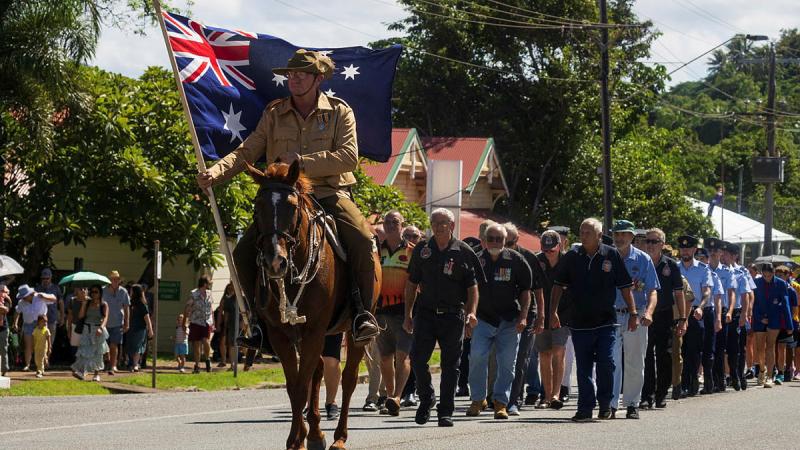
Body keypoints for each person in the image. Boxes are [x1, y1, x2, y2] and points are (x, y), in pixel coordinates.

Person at [197, 49, 379, 348]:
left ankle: (362, 314)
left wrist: (302, 162)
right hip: (283, 196)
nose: (293, 79)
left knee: (361, 238)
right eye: (290, 75)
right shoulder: (274, 113)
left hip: (328, 192)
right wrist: (215, 173)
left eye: (301, 74)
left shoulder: (339, 111)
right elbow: (247, 151)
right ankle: (255, 321)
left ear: (318, 79)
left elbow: (348, 158)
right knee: (242, 252)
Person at [550, 218, 635, 422]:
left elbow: (625, 286)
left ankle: (605, 404)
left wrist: (633, 313)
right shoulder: (572, 256)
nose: (583, 235)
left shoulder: (611, 254)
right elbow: (558, 285)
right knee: (584, 366)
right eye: (581, 231)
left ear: (599, 235)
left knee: (607, 362)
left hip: (606, 321)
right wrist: (552, 311)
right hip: (580, 321)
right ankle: (585, 408)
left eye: (588, 232)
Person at [404, 208, 482, 427]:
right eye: (434, 222)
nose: (438, 226)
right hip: (426, 314)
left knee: (451, 365)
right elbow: (411, 285)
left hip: (453, 316)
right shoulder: (422, 249)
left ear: (452, 226)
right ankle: (427, 398)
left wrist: (472, 312)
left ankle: (445, 411)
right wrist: (407, 314)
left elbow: (472, 287)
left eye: (443, 223)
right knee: (418, 360)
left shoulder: (463, 251)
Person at [466, 222, 535, 420]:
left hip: (509, 321)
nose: (495, 242)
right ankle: (478, 399)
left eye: (499, 239)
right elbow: (467, 290)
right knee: (477, 357)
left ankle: (501, 403)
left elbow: (525, 291)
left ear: (506, 241)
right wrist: (468, 317)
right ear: (484, 240)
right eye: (491, 238)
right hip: (482, 319)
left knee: (507, 363)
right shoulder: (476, 260)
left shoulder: (517, 260)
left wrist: (523, 317)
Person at [609, 220, 659, 420]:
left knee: (634, 361)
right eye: (617, 234)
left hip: (635, 314)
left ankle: (632, 403)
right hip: (611, 314)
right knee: (611, 361)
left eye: (624, 234)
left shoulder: (643, 259)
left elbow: (652, 290)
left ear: (631, 237)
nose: (619, 238)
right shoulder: (607, 257)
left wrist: (649, 312)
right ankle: (610, 403)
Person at [374, 210, 415, 416]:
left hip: (404, 313)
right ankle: (390, 397)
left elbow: (417, 284)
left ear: (402, 225)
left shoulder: (412, 252)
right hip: (380, 312)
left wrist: (410, 314)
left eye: (395, 222)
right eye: (387, 221)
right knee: (384, 358)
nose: (390, 225)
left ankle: (397, 396)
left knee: (403, 355)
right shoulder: (376, 251)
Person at [641, 228, 686, 408]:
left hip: (665, 314)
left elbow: (679, 293)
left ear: (662, 244)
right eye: (648, 241)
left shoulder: (671, 265)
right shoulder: (641, 262)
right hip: (645, 315)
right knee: (646, 356)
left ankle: (661, 394)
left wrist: (683, 318)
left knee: (664, 355)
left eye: (654, 241)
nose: (650, 245)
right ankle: (647, 394)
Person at [504, 223, 546, 415]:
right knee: (503, 358)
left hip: (527, 315)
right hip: (504, 314)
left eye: (509, 242)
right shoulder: (493, 255)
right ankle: (498, 397)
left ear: (517, 240)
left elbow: (538, 290)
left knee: (521, 358)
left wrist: (541, 317)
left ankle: (515, 399)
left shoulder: (528, 258)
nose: (505, 245)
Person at [528, 230, 569, 411]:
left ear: (560, 246)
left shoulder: (568, 261)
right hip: (541, 314)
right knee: (544, 354)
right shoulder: (537, 261)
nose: (548, 253)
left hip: (563, 313)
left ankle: (555, 395)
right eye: (545, 250)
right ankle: (545, 396)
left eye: (552, 249)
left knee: (558, 352)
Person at [676, 236, 713, 397]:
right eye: (682, 248)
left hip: (695, 312)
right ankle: (680, 383)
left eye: (688, 248)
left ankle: (691, 380)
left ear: (693, 250)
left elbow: (707, 292)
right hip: (677, 311)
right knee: (679, 350)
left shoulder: (703, 269)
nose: (685, 251)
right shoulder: (674, 267)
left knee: (693, 349)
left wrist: (702, 308)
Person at [752, 263, 791, 387]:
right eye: (765, 275)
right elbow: (753, 303)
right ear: (762, 273)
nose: (767, 277)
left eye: (769, 275)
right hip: (759, 319)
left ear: (773, 273)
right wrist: (759, 318)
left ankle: (770, 376)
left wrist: (790, 325)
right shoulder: (755, 282)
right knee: (759, 348)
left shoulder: (781, 284)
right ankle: (762, 371)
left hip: (774, 319)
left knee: (770, 347)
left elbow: (786, 304)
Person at [548, 225, 573, 404]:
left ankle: (562, 389)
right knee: (547, 353)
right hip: (549, 311)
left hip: (567, 313)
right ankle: (549, 392)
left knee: (564, 354)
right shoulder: (543, 259)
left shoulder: (571, 259)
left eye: (563, 237)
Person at [693, 247, 723, 394]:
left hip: (707, 312)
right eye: (697, 258)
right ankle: (693, 381)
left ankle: (709, 382)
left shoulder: (712, 275)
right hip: (691, 311)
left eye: (703, 258)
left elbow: (717, 298)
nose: (700, 260)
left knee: (708, 349)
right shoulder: (687, 270)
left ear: (708, 259)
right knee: (693, 348)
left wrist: (718, 318)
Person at [722, 242, 752, 390]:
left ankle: (738, 375)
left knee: (738, 347)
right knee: (722, 347)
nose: (723, 256)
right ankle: (724, 376)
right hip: (720, 312)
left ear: (734, 256)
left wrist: (745, 314)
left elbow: (746, 295)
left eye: (726, 254)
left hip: (736, 313)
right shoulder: (717, 270)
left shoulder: (741, 272)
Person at [13, 285, 57, 371]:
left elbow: (54, 298)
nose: (23, 298)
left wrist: (44, 296)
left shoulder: (39, 296)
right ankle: (27, 365)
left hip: (41, 324)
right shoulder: (21, 302)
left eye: (24, 296)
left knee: (42, 345)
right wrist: (15, 323)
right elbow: (17, 312)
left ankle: (43, 364)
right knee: (28, 346)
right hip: (28, 324)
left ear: (29, 294)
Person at [72, 285, 109, 382]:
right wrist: (84, 304)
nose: (93, 294)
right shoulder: (87, 303)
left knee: (98, 352)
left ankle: (96, 374)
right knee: (84, 351)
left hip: (98, 330)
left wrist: (101, 328)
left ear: (100, 293)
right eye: (92, 292)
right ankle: (82, 372)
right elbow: (80, 316)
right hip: (86, 329)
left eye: (96, 292)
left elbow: (105, 318)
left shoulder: (103, 304)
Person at [102, 270, 130, 375]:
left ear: (119, 280)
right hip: (104, 322)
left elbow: (126, 307)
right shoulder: (103, 290)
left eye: (116, 279)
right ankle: (105, 363)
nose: (114, 281)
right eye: (113, 279)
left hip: (118, 322)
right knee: (104, 345)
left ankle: (113, 365)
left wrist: (127, 322)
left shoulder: (123, 291)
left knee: (114, 345)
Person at [184, 276, 214, 374]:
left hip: (206, 321)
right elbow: (188, 308)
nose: (210, 284)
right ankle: (197, 365)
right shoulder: (194, 294)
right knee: (196, 345)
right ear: (204, 283)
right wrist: (185, 320)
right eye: (209, 283)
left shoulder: (209, 294)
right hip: (196, 321)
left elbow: (211, 309)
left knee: (206, 341)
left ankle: (207, 360)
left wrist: (213, 322)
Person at [35, 268, 63, 363]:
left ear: (50, 278)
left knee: (50, 340)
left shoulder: (56, 288)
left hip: (52, 318)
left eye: (47, 278)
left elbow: (61, 303)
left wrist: (62, 316)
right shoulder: (37, 288)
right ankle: (41, 361)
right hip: (39, 320)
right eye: (43, 278)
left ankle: (47, 360)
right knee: (40, 341)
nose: (45, 280)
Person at [125, 285, 154, 372]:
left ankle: (135, 364)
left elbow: (147, 317)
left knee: (138, 346)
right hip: (130, 328)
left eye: (131, 291)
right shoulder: (129, 303)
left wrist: (150, 329)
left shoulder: (142, 304)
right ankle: (131, 363)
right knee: (130, 346)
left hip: (140, 329)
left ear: (135, 292)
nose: (130, 293)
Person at [218, 283, 237, 368]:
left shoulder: (237, 299)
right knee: (222, 342)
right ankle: (223, 360)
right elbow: (220, 312)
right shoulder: (224, 299)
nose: (230, 289)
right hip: (225, 324)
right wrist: (218, 324)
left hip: (234, 324)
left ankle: (232, 364)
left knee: (232, 344)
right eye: (228, 288)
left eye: (231, 288)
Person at [67, 287, 88, 359]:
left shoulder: (90, 301)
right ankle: (77, 364)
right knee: (75, 347)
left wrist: (84, 303)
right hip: (75, 325)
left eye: (85, 289)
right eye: (81, 289)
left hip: (87, 327)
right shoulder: (72, 300)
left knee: (86, 346)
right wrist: (69, 329)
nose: (83, 291)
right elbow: (70, 316)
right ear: (76, 290)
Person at [0, 284, 11, 376]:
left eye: (5, 292)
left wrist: (2, 307)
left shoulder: (7, 300)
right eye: (2, 291)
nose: (4, 293)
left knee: (4, 349)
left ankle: (4, 369)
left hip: (3, 328)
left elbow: (5, 310)